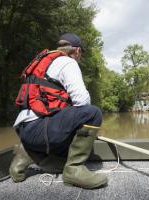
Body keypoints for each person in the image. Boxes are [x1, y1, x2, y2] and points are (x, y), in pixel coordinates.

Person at [9, 33, 107, 189]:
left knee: (61, 164)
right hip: (40, 128)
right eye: (80, 54)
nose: (80, 57)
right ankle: (74, 170)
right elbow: (82, 102)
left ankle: (27, 152)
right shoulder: (68, 62)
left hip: (24, 130)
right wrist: (88, 130)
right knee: (92, 113)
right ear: (77, 51)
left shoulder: (44, 62)